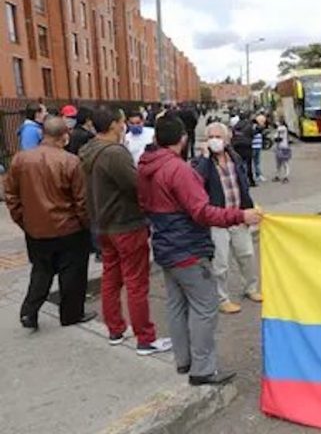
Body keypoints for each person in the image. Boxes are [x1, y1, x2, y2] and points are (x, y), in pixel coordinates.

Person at [138, 115, 263, 385]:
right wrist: (240, 216)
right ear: (183, 139)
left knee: (177, 305)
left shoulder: (147, 165)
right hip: (188, 249)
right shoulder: (179, 170)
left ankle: (184, 361)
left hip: (165, 246)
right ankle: (203, 369)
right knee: (205, 307)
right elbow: (201, 211)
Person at [80, 107, 171, 356]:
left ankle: (115, 329)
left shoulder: (88, 151)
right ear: (112, 125)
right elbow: (136, 186)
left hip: (103, 224)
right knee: (136, 283)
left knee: (111, 278)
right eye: (121, 122)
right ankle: (145, 338)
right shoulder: (114, 153)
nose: (125, 127)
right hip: (126, 224)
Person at [4, 117, 96, 330]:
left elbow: (11, 195)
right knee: (72, 273)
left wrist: (23, 220)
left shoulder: (20, 159)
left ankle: (29, 311)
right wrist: (85, 224)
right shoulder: (70, 161)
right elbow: (81, 201)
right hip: (69, 229)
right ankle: (71, 314)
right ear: (64, 136)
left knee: (41, 271)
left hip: (36, 228)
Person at [192, 123, 261, 315]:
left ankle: (251, 288)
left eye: (218, 136)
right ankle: (222, 298)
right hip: (217, 219)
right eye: (211, 137)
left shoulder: (235, 157)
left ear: (227, 138)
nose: (215, 140)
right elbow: (196, 181)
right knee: (220, 263)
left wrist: (249, 208)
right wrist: (205, 158)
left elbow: (243, 185)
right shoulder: (201, 162)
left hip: (238, 216)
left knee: (246, 255)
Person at [232, 112, 256, 186]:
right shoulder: (249, 125)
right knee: (248, 164)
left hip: (237, 147)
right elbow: (253, 134)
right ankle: (250, 181)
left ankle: (240, 180)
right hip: (247, 146)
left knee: (239, 163)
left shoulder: (235, 126)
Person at [273, 119, 291, 183]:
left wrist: (276, 127)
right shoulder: (280, 129)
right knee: (279, 163)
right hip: (280, 147)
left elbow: (277, 137)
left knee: (284, 163)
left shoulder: (283, 128)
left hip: (283, 147)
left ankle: (286, 176)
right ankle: (278, 176)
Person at [251, 114, 267, 182]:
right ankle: (257, 175)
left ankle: (257, 175)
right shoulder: (255, 127)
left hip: (257, 146)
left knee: (256, 162)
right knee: (255, 162)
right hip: (254, 146)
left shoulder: (258, 127)